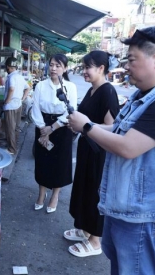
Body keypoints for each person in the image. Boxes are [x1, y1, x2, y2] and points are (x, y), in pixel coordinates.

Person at [67, 26, 155, 274]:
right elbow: (117, 128)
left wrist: (86, 127)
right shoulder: (143, 96)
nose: (126, 66)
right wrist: (90, 125)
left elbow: (128, 147)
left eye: (132, 59)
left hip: (144, 215)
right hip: (124, 208)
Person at [64, 51, 120, 258]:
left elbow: (112, 127)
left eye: (88, 67)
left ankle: (96, 240)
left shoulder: (108, 92)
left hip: (99, 152)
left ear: (101, 69)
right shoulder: (92, 90)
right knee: (84, 189)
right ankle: (85, 230)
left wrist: (86, 126)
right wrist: (77, 126)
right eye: (84, 67)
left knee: (96, 193)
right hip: (86, 148)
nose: (84, 71)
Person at [31, 54, 77, 213]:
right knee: (43, 162)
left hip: (61, 129)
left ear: (64, 68)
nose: (53, 68)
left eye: (58, 65)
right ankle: (41, 194)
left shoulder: (70, 87)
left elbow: (71, 111)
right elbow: (35, 107)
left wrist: (53, 127)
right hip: (42, 126)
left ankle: (55, 196)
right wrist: (43, 128)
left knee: (59, 164)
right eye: (51, 65)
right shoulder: (41, 86)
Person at [3, 57, 30, 155]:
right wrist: (22, 99)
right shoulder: (20, 76)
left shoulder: (11, 77)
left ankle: (12, 149)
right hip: (18, 104)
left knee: (10, 127)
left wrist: (7, 101)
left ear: (8, 67)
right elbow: (28, 88)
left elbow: (11, 89)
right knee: (16, 127)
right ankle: (14, 146)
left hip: (10, 106)